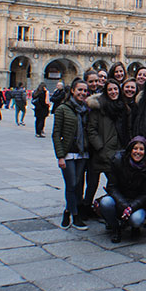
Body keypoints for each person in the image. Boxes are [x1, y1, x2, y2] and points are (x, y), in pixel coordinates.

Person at [85, 78, 129, 216]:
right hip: (100, 153)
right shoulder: (98, 108)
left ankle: (112, 211)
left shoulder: (122, 108)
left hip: (116, 153)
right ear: (106, 91)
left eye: (115, 89)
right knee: (92, 184)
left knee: (114, 185)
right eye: (110, 89)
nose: (113, 92)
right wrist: (100, 147)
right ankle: (85, 209)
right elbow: (91, 129)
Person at [101, 136, 146, 243]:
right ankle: (116, 228)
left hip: (137, 204)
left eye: (141, 149)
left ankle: (135, 227)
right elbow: (112, 187)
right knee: (105, 202)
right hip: (119, 199)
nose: (138, 152)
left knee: (136, 220)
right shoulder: (118, 160)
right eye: (135, 148)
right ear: (130, 149)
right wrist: (124, 205)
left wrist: (132, 207)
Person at [53, 78, 90, 231]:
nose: (82, 93)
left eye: (84, 90)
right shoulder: (62, 109)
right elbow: (56, 134)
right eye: (79, 90)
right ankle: (75, 217)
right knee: (72, 184)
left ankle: (67, 211)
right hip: (68, 154)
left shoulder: (87, 109)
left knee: (78, 185)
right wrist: (60, 156)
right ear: (73, 91)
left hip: (82, 154)